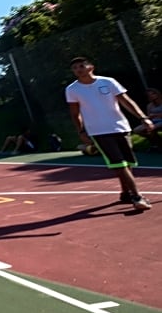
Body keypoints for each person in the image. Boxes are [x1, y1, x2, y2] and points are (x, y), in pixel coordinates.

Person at [65, 56, 154, 211]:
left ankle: (125, 193)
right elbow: (75, 113)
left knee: (127, 163)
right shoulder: (72, 89)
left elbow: (126, 101)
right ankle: (137, 197)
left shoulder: (108, 82)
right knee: (119, 163)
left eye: (81, 66)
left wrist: (143, 118)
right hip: (99, 131)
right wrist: (81, 130)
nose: (78, 70)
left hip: (120, 127)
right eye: (75, 68)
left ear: (91, 67)